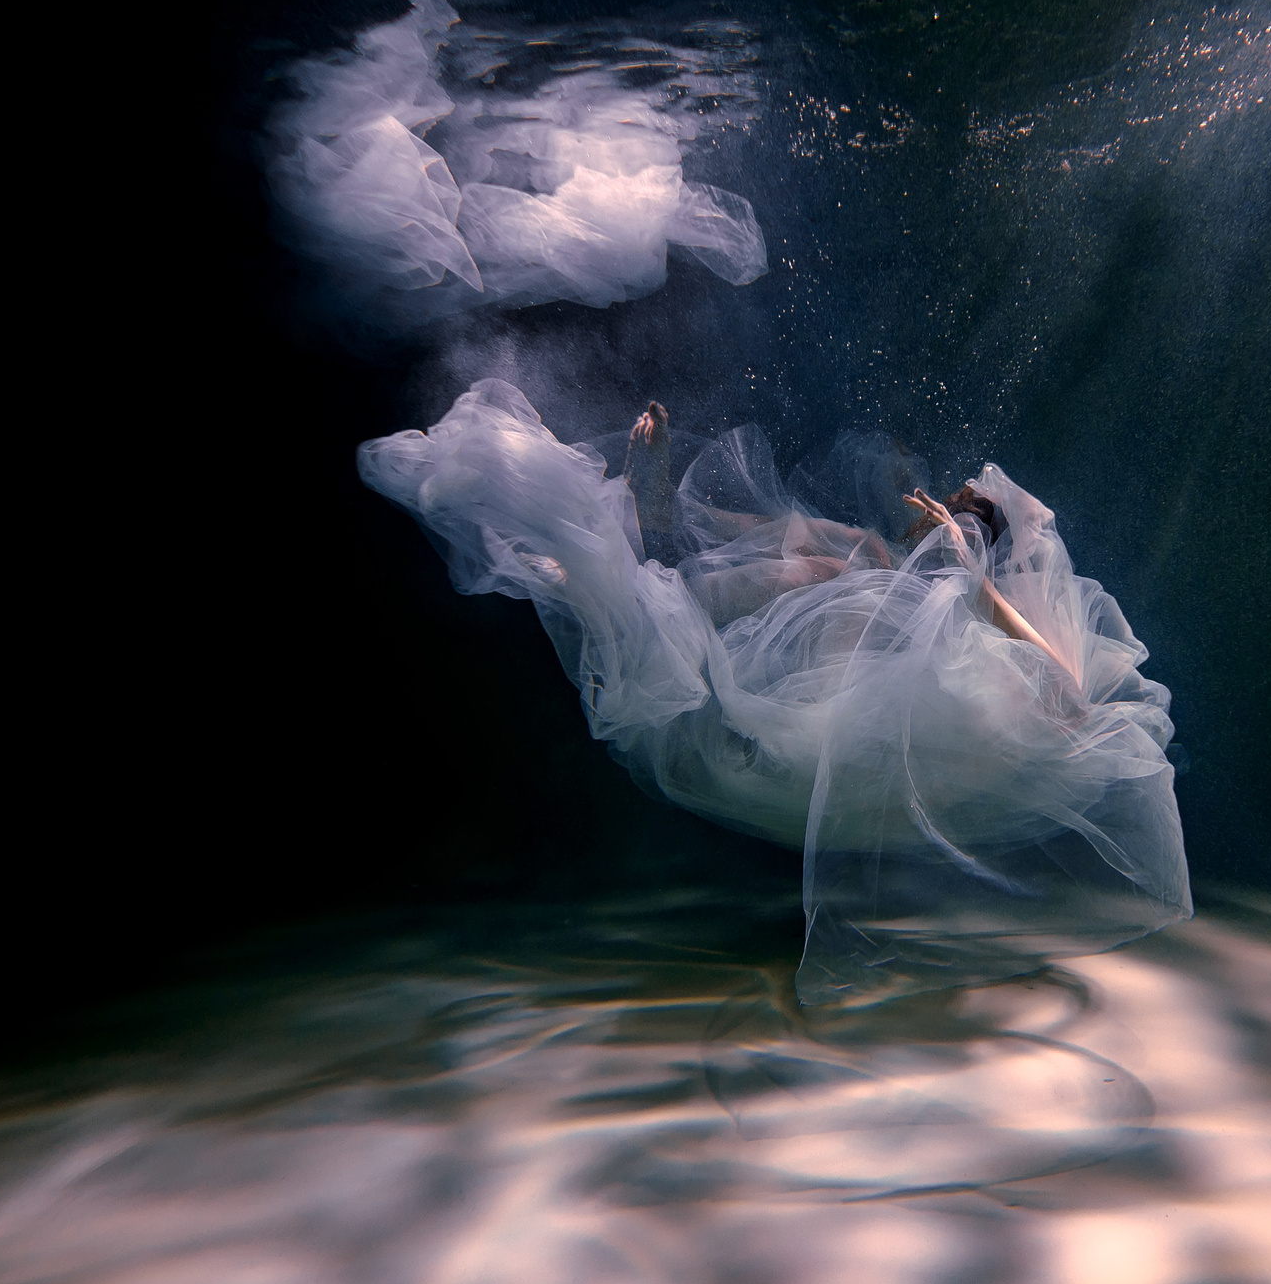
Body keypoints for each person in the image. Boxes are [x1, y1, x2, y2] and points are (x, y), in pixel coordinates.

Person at [362, 379, 1190, 1001]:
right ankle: (588, 572)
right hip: (774, 716)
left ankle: (590, 577)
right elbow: (700, 545)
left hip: (831, 738)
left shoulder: (967, 613)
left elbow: (1070, 696)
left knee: (812, 581)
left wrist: (968, 572)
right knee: (804, 569)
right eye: (939, 512)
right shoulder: (867, 556)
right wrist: (650, 476)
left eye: (955, 516)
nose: (930, 516)